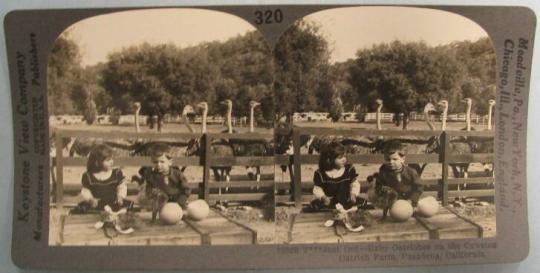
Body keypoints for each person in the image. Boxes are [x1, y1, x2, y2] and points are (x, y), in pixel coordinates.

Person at [74, 144, 132, 213]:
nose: (111, 162)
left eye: (112, 158)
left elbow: (121, 187)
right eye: (108, 160)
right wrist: (90, 199)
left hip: (114, 203)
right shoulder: (89, 176)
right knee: (89, 212)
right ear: (97, 162)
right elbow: (85, 191)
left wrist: (120, 196)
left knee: (121, 211)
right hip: (97, 204)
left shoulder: (116, 173)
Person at [132, 143, 191, 210]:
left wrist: (181, 201)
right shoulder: (152, 175)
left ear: (170, 162)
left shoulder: (177, 174)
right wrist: (151, 195)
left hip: (177, 202)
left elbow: (186, 189)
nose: (158, 165)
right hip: (160, 203)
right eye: (155, 162)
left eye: (162, 162)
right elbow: (149, 189)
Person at [309, 142, 363, 211]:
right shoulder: (321, 174)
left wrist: (353, 194)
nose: (344, 159)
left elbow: (354, 184)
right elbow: (317, 189)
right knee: (318, 207)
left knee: (360, 204)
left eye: (345, 156)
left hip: (345, 200)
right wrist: (323, 197)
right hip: (330, 201)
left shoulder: (348, 170)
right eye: (340, 157)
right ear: (329, 159)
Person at [374, 140, 424, 206]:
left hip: (408, 199)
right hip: (392, 200)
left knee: (423, 209)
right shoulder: (384, 170)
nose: (391, 162)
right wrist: (382, 192)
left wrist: (412, 199)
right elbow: (379, 184)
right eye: (387, 159)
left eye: (395, 159)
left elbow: (419, 187)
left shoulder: (410, 172)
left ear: (403, 159)